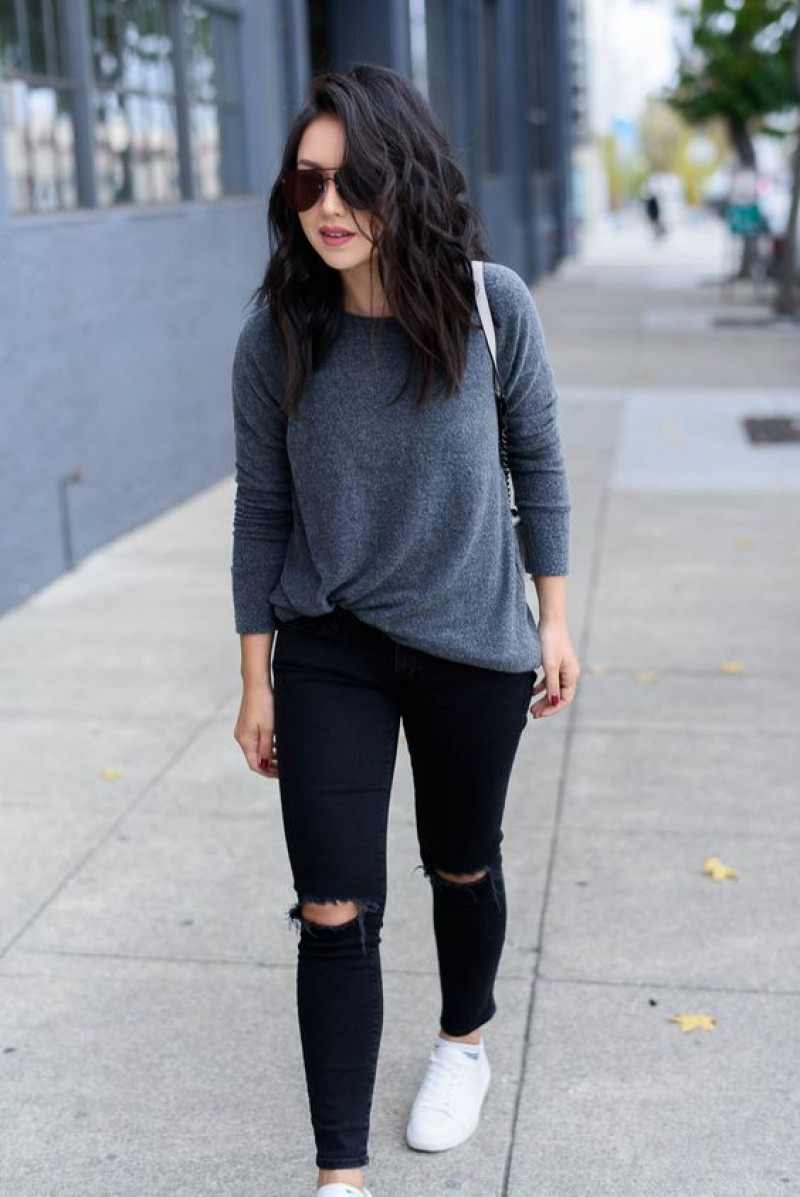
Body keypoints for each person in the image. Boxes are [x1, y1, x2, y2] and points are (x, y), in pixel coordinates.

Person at [230, 63, 579, 1197]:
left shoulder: (490, 306)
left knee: (457, 863)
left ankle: (461, 1045)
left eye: (354, 183)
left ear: (405, 183)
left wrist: (556, 617)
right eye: (308, 183)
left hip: (472, 643)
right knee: (332, 905)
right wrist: (254, 680)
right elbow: (261, 510)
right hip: (328, 643)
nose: (328, 208)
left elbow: (538, 462)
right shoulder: (279, 335)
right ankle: (340, 1177)